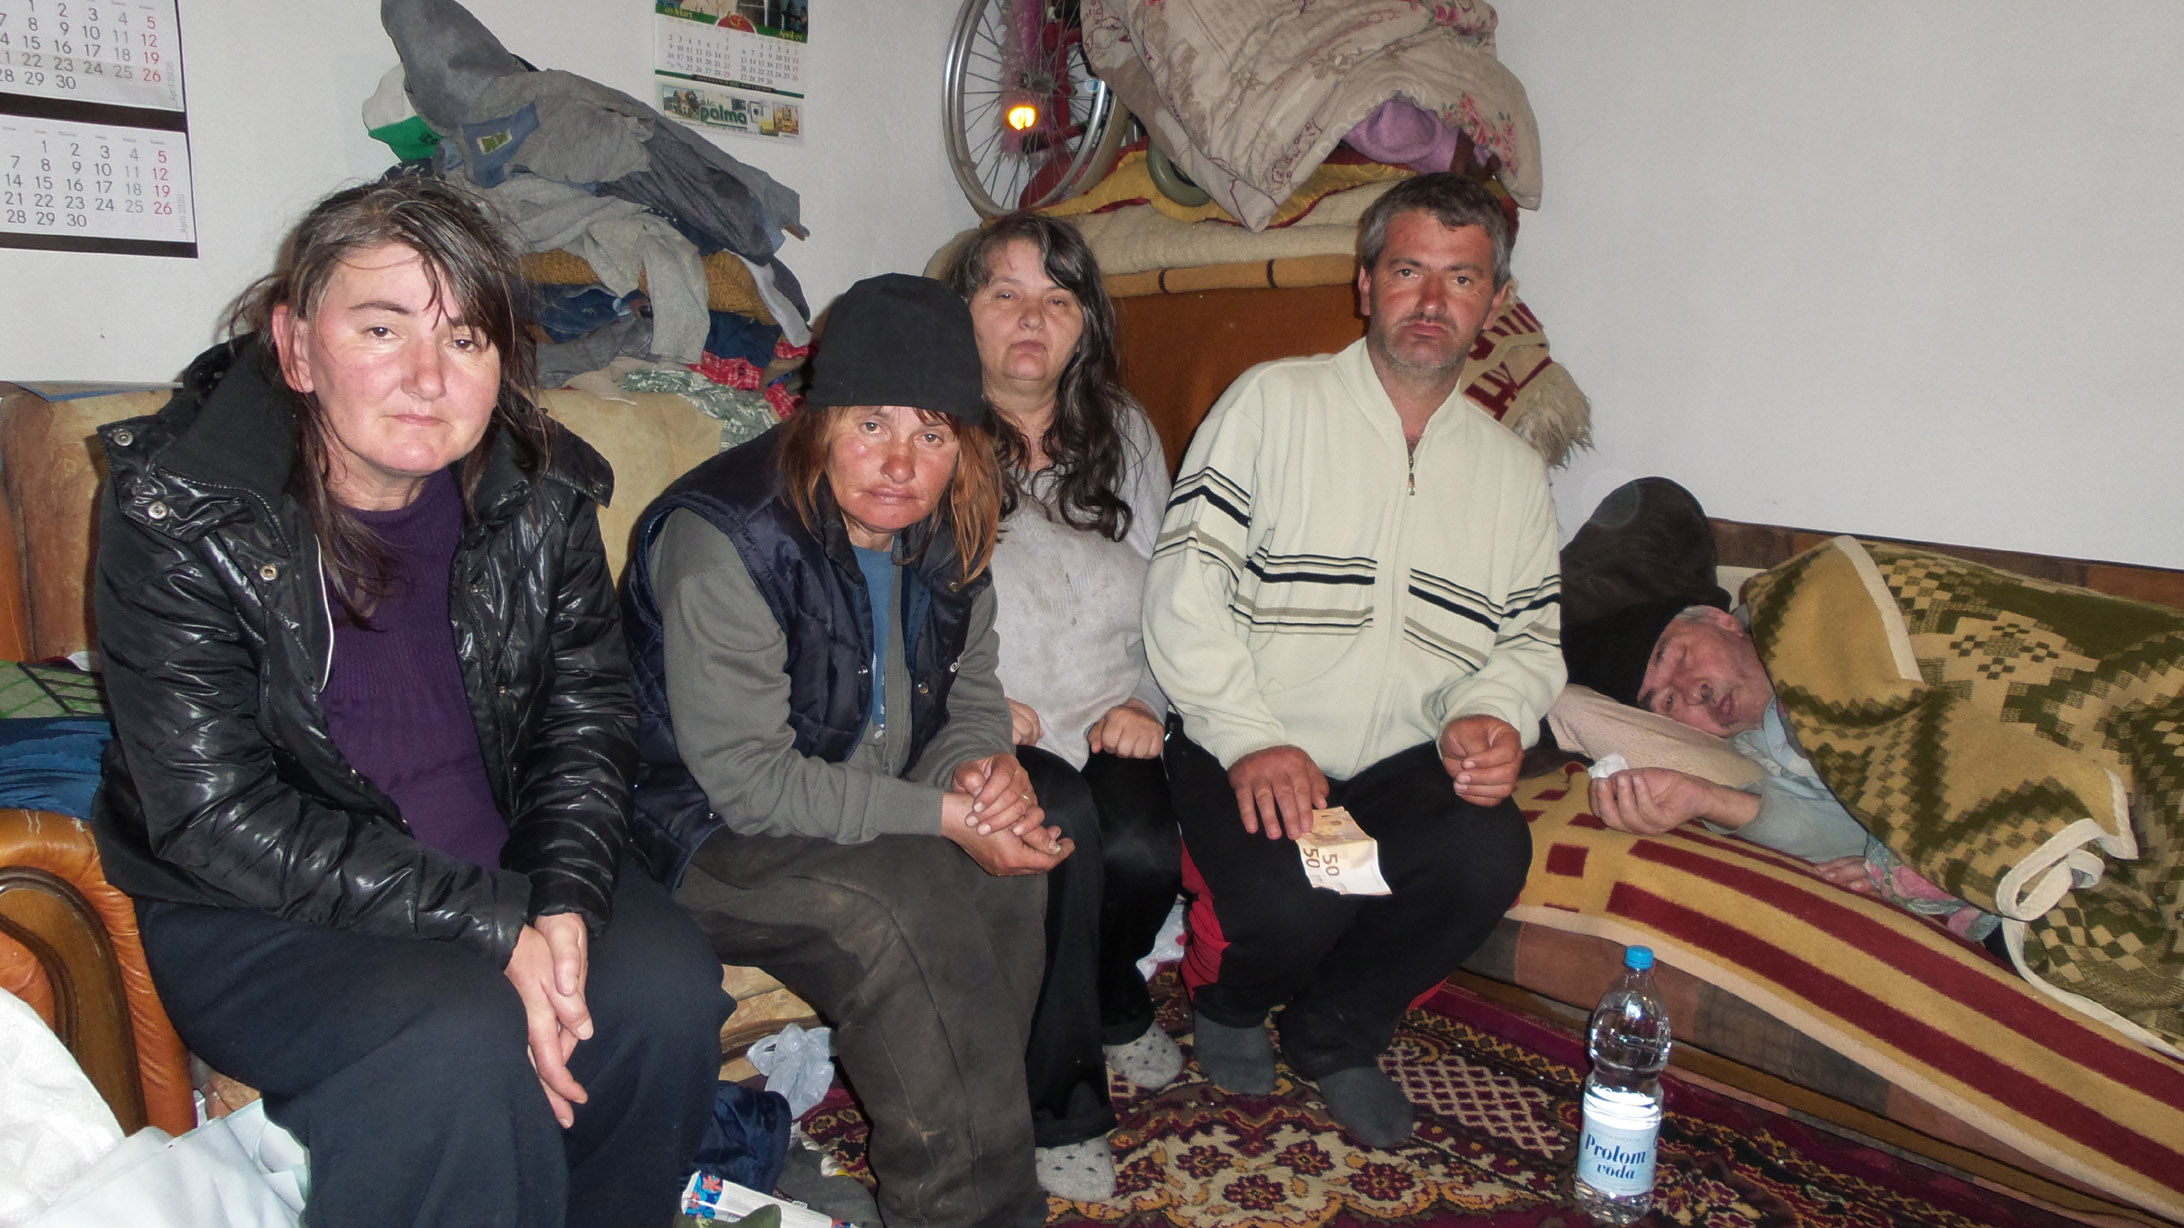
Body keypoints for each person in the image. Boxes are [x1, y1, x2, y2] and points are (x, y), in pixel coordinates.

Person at [89, 177, 730, 1228]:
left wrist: (562, 900)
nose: (429, 379)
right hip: (261, 900)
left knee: (662, 989)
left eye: (467, 339)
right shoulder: (181, 507)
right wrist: (494, 925)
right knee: (452, 1039)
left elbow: (585, 726)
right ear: (297, 347)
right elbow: (211, 812)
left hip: (499, 855)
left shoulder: (543, 493)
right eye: (383, 328)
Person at [623, 273, 1068, 1228]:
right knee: (902, 908)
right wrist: (942, 815)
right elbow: (749, 784)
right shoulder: (728, 540)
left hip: (848, 797)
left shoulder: (952, 525)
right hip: (694, 831)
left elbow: (971, 694)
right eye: (872, 424)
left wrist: (982, 772)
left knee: (1011, 872)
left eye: (933, 435)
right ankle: (971, 1212)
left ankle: (985, 1151)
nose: (901, 464)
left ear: (965, 444)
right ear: (819, 420)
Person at [1141, 172, 1560, 1148]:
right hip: (1254, 743)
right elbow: (1184, 587)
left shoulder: (1511, 474)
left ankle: (1335, 1028)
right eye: (1409, 270)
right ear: (1366, 282)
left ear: (1495, 302)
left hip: (1395, 769)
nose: (1432, 300)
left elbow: (1530, 640)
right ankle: (1230, 1002)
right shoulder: (1272, 404)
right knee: (1301, 901)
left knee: (1488, 850)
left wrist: (1495, 713)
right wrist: (1250, 736)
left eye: (1462, 278)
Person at [943, 215, 1183, 1202]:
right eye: (1005, 294)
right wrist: (973, 704)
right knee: (1064, 834)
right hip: (994, 716)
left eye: (1057, 297)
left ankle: (1114, 993)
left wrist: (1148, 698)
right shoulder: (930, 431)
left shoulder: (1124, 430)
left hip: (1111, 705)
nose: (1031, 319)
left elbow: (1174, 586)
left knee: (1146, 851)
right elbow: (901, 600)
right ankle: (1060, 1105)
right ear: (966, 311)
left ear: (1086, 319)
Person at [1563, 595, 2003, 943]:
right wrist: (1705, 798)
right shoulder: (1751, 758)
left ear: (1722, 620)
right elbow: (1846, 832)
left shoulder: (1822, 626)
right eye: (1668, 702)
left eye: (1679, 657)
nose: (1692, 691)